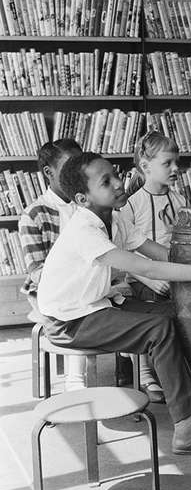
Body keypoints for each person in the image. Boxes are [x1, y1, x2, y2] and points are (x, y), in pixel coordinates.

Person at [36, 152, 191, 456]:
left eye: (115, 175)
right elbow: (146, 268)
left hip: (97, 305)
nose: (118, 183)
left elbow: (162, 254)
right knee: (159, 329)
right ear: (82, 198)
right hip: (69, 321)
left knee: (180, 317)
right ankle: (188, 429)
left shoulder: (115, 217)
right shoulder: (83, 230)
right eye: (105, 182)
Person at [120, 131, 187, 403]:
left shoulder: (180, 200)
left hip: (175, 273)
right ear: (146, 167)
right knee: (154, 305)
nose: (175, 168)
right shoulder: (131, 205)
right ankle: (147, 375)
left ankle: (190, 371)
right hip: (143, 278)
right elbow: (122, 252)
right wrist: (148, 279)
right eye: (167, 163)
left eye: (177, 162)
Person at [19, 139, 89, 390]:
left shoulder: (86, 204)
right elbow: (37, 272)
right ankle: (75, 380)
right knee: (80, 303)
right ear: (49, 172)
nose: (79, 173)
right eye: (71, 166)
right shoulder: (35, 213)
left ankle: (141, 371)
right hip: (49, 291)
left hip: (88, 285)